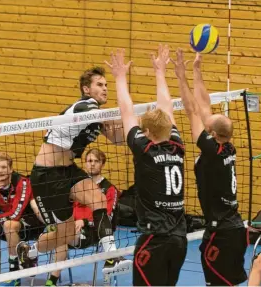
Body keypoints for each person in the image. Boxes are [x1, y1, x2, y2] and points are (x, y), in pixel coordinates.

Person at [17, 66, 127, 273]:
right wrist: (123, 110)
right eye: (99, 85)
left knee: (99, 199)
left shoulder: (96, 116)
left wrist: (129, 117)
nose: (105, 89)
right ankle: (29, 252)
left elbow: (119, 140)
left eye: (106, 85)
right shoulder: (84, 107)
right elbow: (106, 118)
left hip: (70, 170)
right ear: (86, 89)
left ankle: (111, 256)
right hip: (47, 176)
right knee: (65, 234)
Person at [105, 46, 187, 286]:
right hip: (179, 239)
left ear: (147, 133)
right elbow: (167, 107)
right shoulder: (178, 145)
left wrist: (120, 77)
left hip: (154, 239)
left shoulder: (145, 149)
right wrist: (160, 71)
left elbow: (126, 111)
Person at [171, 49, 247, 286]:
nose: (205, 124)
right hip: (234, 228)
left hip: (221, 232)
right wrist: (196, 71)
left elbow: (193, 110)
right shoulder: (228, 147)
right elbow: (204, 107)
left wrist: (181, 76)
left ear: (213, 135)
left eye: (208, 127)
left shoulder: (212, 151)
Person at [45, 148, 132, 287]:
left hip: (95, 233)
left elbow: (107, 218)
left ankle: (38, 263)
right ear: (85, 163)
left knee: (62, 236)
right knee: (59, 234)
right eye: (89, 161)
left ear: (102, 164)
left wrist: (84, 221)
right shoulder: (77, 185)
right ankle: (51, 281)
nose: (92, 164)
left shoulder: (109, 189)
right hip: (72, 228)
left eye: (96, 161)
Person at [0, 152, 45, 286]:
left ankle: (14, 273)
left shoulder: (22, 182)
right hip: (6, 222)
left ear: (10, 169)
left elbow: (15, 214)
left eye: (3, 167)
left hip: (31, 224)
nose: (0, 171)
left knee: (9, 224)